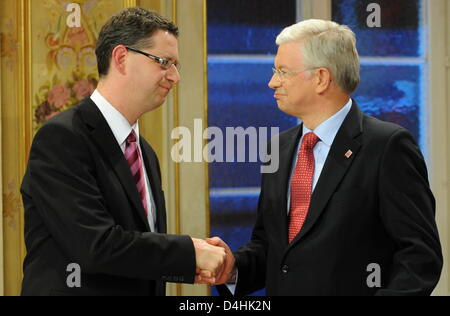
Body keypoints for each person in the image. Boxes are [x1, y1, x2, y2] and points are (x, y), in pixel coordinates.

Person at [200, 19, 443, 296]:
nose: (272, 82)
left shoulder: (387, 146)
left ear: (321, 78)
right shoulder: (278, 148)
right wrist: (234, 269)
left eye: (283, 71)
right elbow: (273, 247)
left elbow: (419, 257)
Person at [21, 7, 225, 296]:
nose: (175, 76)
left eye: (176, 65)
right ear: (121, 58)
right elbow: (95, 245)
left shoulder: (146, 152)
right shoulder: (62, 139)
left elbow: (141, 248)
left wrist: (192, 260)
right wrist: (190, 253)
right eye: (164, 62)